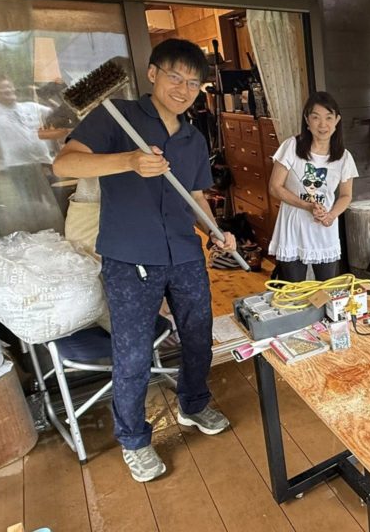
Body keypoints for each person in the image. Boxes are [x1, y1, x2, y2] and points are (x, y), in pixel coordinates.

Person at [53, 38, 236, 483]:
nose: (183, 89)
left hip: (185, 253)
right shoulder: (116, 117)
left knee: (198, 337)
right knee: (133, 353)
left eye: (192, 83)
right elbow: (64, 164)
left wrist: (216, 232)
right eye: (175, 77)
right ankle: (134, 440)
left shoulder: (192, 138)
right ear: (153, 74)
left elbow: (194, 197)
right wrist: (129, 161)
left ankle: (193, 404)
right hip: (130, 257)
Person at [0, 37, 65, 235]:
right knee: (34, 207)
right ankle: (42, 238)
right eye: (0, 89)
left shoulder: (31, 107)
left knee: (59, 201)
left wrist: (48, 94)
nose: (6, 90)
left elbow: (60, 114)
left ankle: (62, 233)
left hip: (45, 163)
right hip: (19, 167)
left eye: (7, 86)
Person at [268, 91, 358, 281]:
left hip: (324, 228)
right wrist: (307, 206)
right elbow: (275, 187)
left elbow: (346, 195)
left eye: (328, 117)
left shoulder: (344, 157)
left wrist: (331, 215)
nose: (323, 124)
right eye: (316, 117)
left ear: (337, 120)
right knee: (295, 290)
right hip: (293, 226)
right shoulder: (292, 146)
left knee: (326, 288)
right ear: (307, 120)